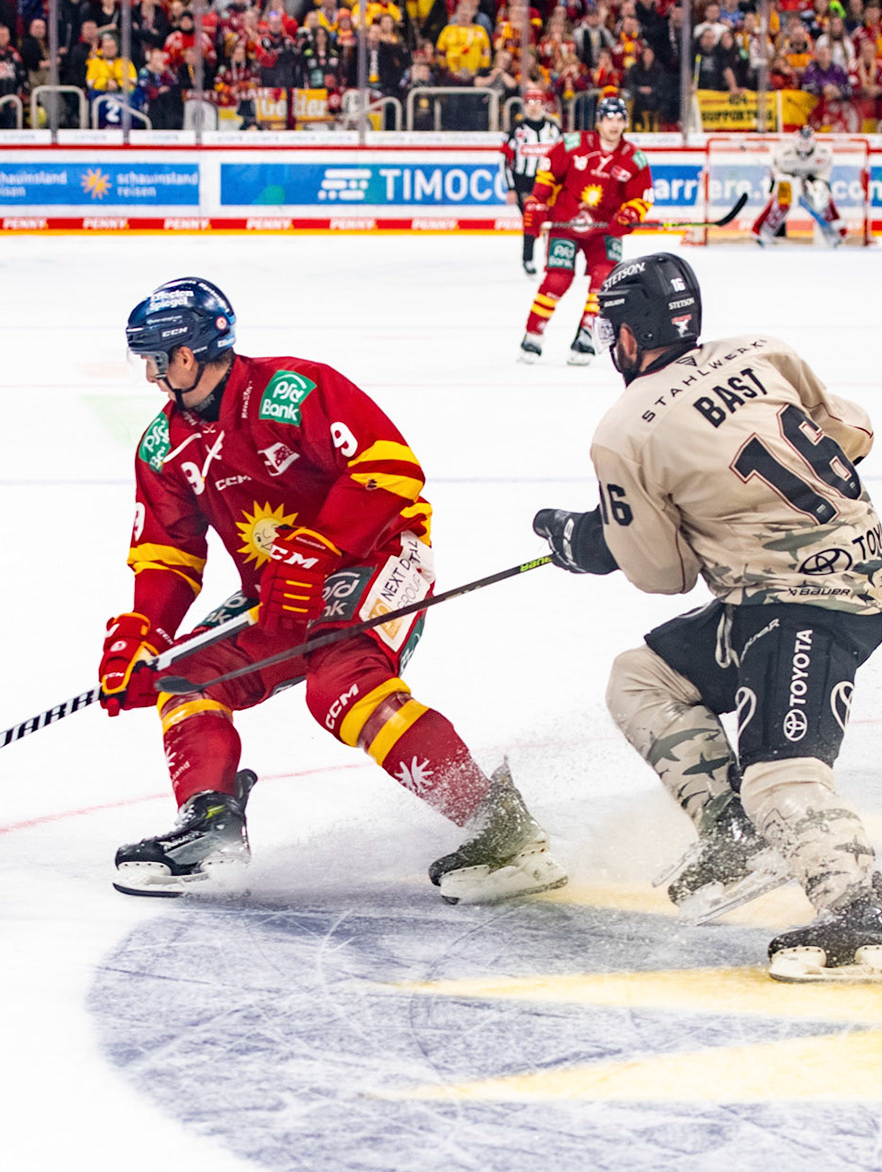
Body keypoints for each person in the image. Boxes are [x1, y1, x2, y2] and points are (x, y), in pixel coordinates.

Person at [103, 278, 564, 905]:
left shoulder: (291, 390)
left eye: (156, 359)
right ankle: (210, 827)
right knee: (183, 677)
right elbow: (169, 552)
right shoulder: (164, 446)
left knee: (341, 685)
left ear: (187, 354)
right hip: (280, 587)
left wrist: (320, 546)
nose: (151, 375)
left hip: (376, 554)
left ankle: (500, 827)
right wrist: (146, 633)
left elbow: (389, 468)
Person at [533, 252, 882, 985]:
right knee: (644, 679)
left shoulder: (624, 431)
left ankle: (862, 921)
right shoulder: (761, 351)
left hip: (806, 604)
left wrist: (591, 542)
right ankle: (733, 837)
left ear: (630, 335)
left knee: (780, 776)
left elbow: (662, 573)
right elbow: (853, 433)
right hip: (824, 581)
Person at [519, 92, 652, 366]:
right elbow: (548, 171)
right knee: (557, 279)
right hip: (566, 223)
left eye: (619, 119)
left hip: (605, 230)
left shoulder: (634, 158)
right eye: (609, 119)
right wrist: (538, 200)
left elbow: (643, 196)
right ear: (599, 122)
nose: (614, 125)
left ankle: (586, 334)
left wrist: (629, 214)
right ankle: (533, 334)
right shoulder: (574, 144)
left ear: (626, 123)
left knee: (604, 281)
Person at [501, 85, 564, 276]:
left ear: (544, 105)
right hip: (524, 183)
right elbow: (504, 161)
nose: (533, 106)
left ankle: (552, 259)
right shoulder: (516, 131)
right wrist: (511, 188)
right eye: (529, 102)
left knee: (551, 221)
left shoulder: (554, 130)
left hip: (549, 183)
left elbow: (564, 159)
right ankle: (527, 259)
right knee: (532, 219)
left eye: (537, 102)